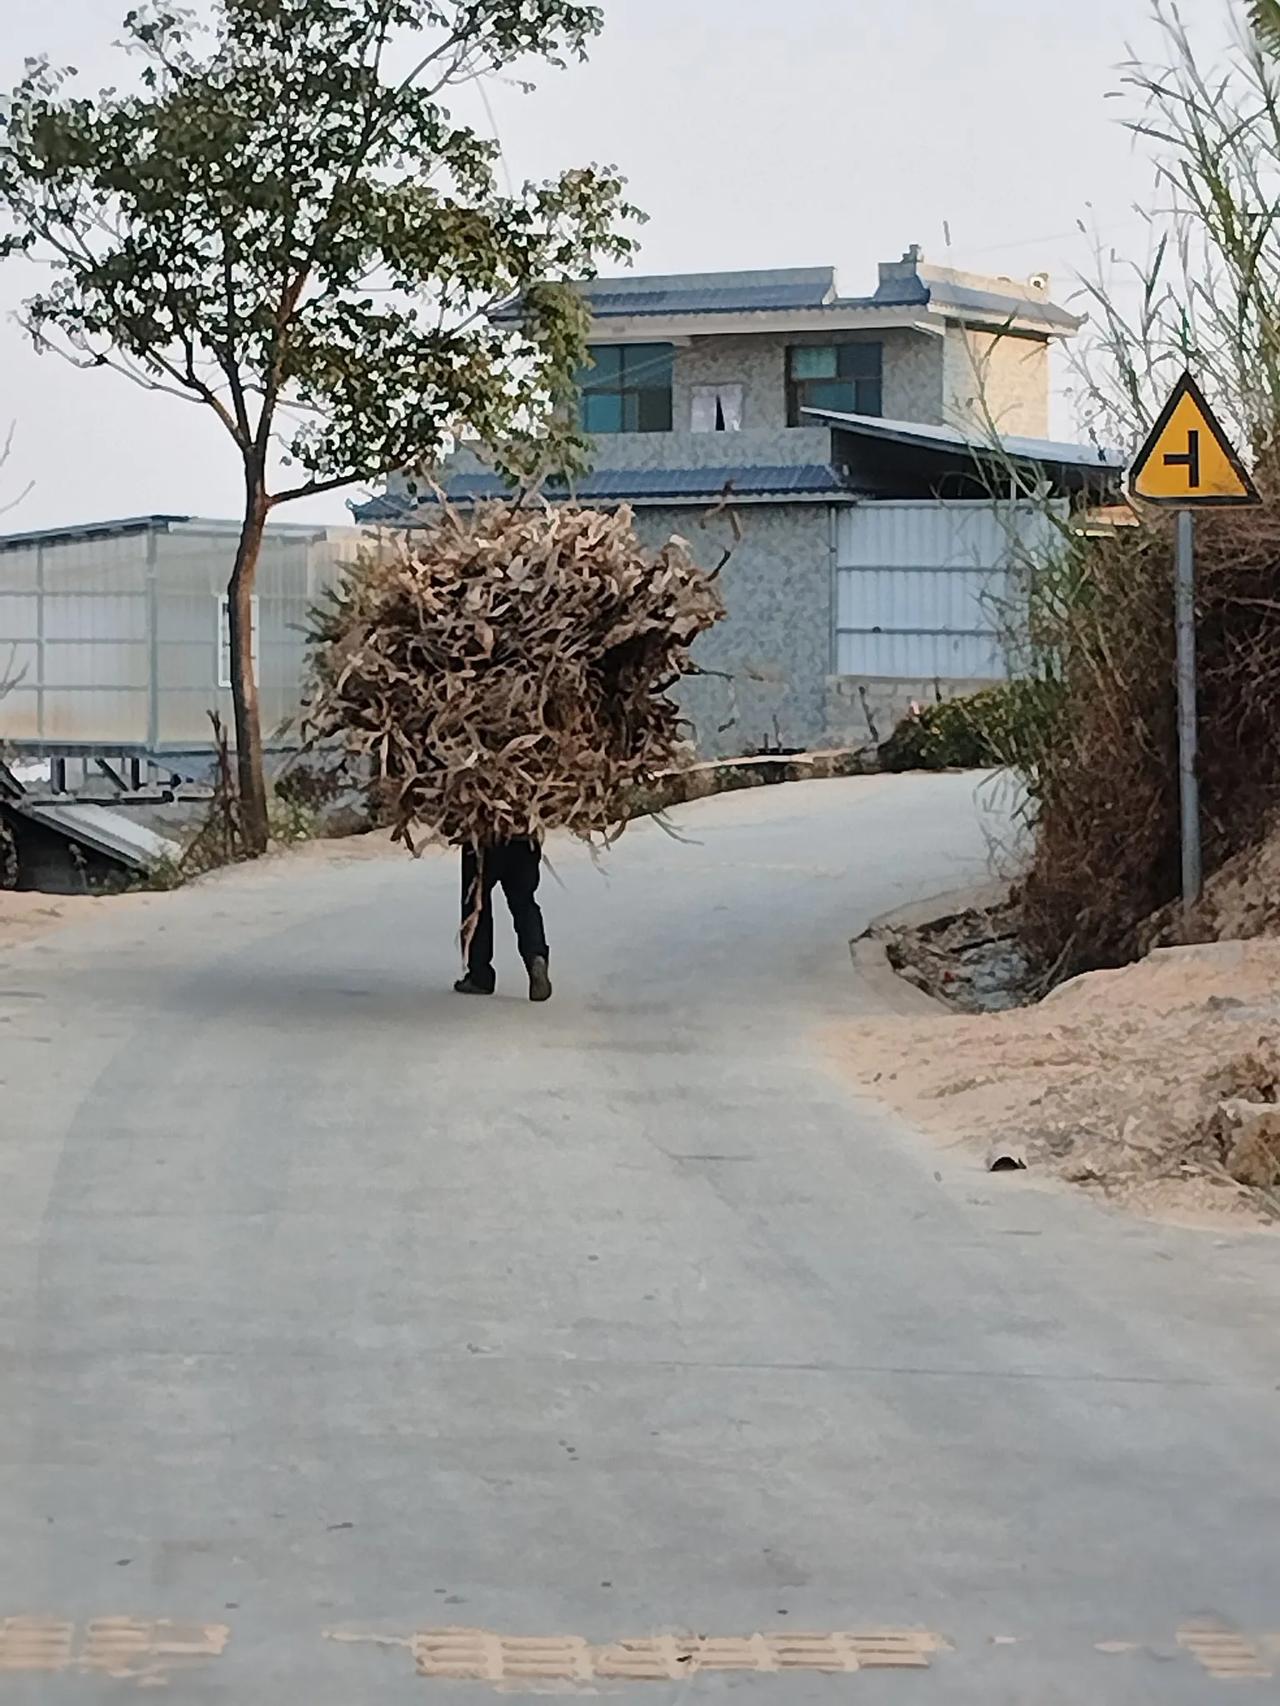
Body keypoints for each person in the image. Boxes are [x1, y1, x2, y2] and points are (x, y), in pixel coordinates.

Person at [455, 837, 552, 1002]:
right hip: (523, 838)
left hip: (483, 840)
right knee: (524, 902)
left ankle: (480, 977)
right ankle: (535, 956)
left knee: (477, 903)